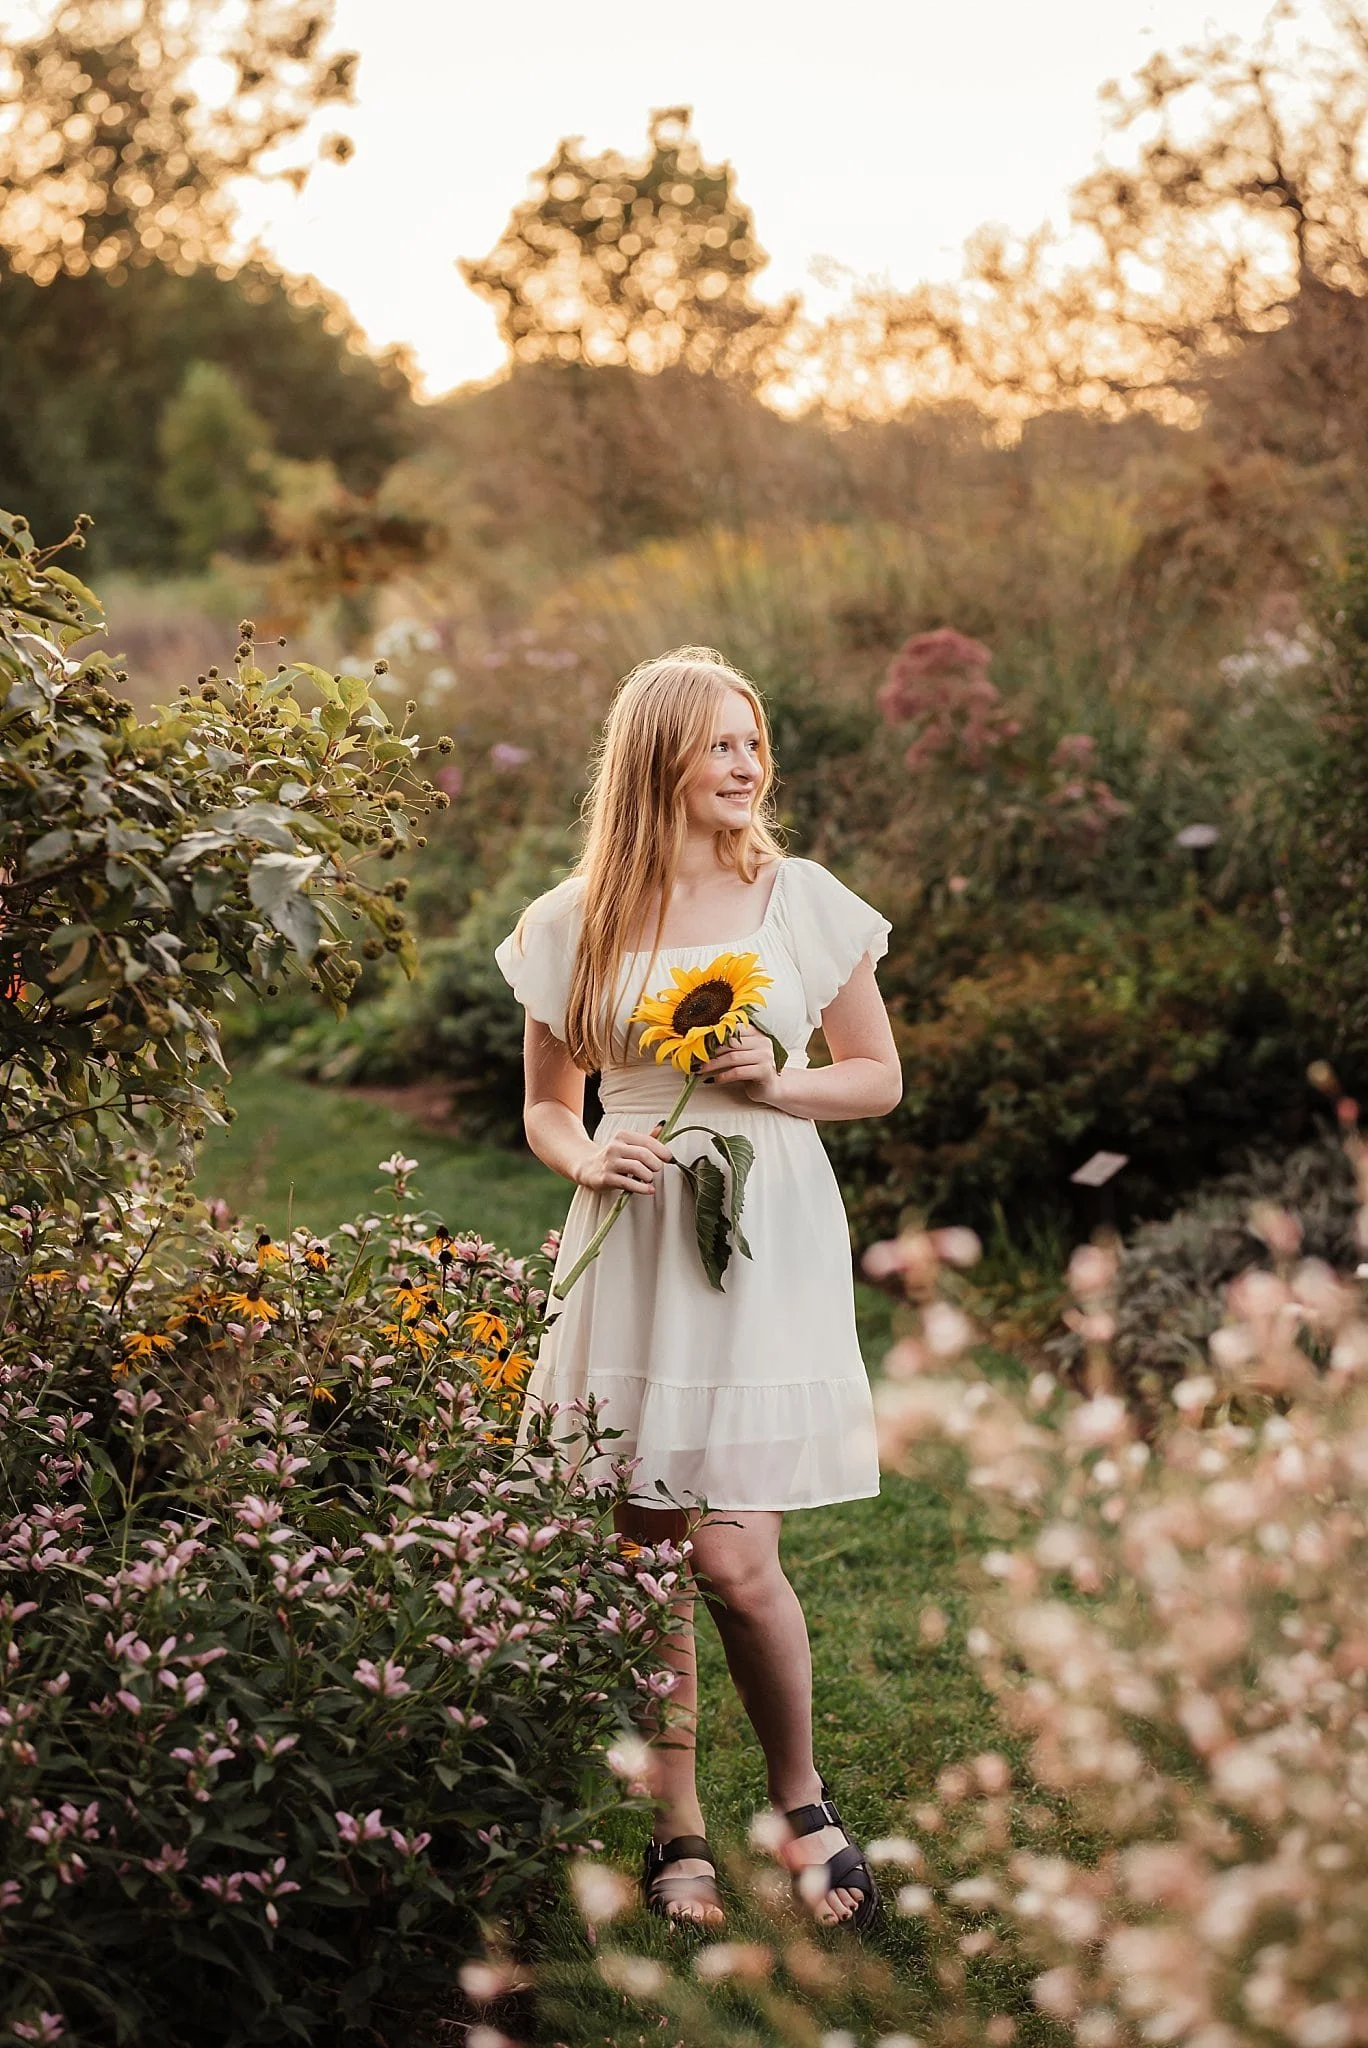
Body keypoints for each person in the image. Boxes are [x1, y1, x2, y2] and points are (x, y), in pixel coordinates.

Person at [494, 646, 903, 1934]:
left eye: (753, 742)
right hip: (634, 1238)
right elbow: (546, 1107)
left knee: (732, 1556)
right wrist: (588, 1150)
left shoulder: (802, 900)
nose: (747, 764)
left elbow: (876, 1077)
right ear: (657, 755)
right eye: (722, 742)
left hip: (765, 1233)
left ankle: (802, 1804)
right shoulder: (574, 924)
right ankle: (678, 1831)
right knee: (644, 1559)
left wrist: (774, 1083)